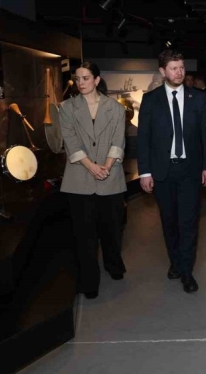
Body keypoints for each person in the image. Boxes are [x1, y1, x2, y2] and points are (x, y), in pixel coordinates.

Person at [137, 49, 206, 294]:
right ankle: (175, 262)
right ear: (163, 71)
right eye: (174, 68)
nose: (179, 72)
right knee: (169, 222)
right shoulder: (151, 100)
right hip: (163, 171)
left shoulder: (198, 98)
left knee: (188, 223)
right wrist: (144, 172)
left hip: (190, 171)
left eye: (181, 67)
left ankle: (186, 272)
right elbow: (143, 138)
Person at [59, 62, 127, 300]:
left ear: (97, 80)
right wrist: (91, 166)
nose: (81, 83)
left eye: (86, 78)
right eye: (77, 79)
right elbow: (70, 141)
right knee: (84, 235)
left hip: (110, 175)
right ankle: (89, 281)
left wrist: (106, 166)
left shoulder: (115, 108)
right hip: (80, 178)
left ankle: (114, 264)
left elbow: (118, 140)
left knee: (112, 229)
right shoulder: (67, 108)